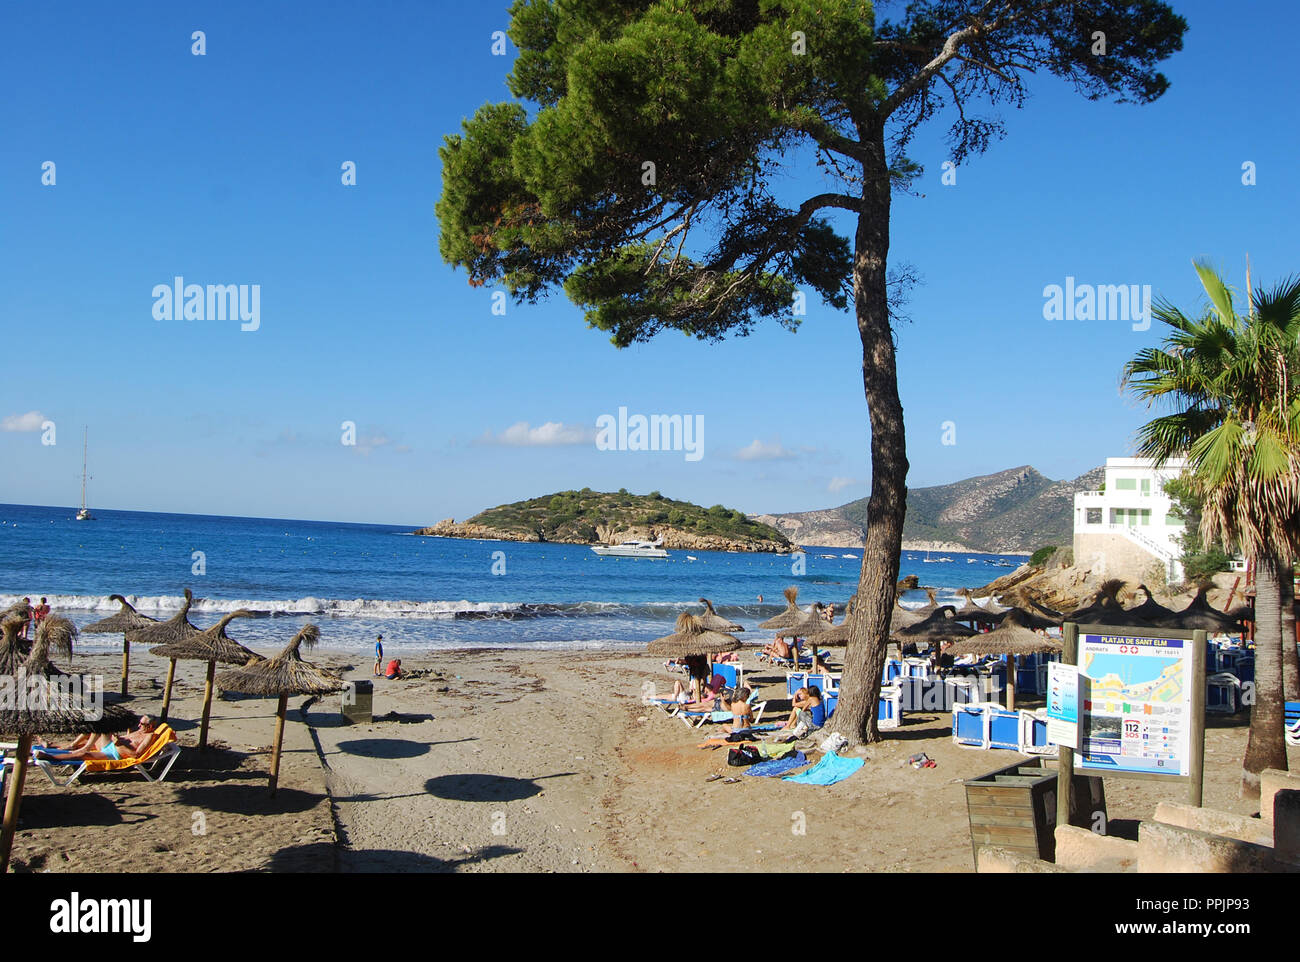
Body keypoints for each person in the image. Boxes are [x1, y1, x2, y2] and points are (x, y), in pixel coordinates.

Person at [37, 716, 160, 762]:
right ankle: (52, 744)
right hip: (112, 745)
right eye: (139, 723)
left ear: (150, 726)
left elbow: (136, 755)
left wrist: (120, 744)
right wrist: (120, 739)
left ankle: (49, 757)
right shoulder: (140, 730)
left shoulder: (148, 736)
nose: (139, 726)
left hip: (113, 754)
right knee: (95, 730)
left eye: (142, 724)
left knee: (83, 754)